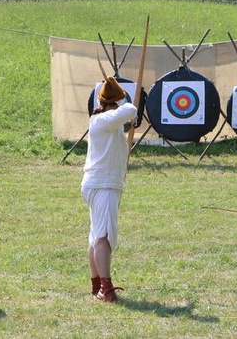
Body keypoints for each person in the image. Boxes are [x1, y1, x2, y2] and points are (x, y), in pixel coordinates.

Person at [81, 76, 137, 303]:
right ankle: (107, 289)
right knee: (103, 237)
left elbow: (123, 117)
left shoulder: (105, 122)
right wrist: (126, 104)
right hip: (103, 185)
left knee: (96, 236)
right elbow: (131, 109)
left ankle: (97, 285)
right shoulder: (102, 121)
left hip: (100, 184)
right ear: (113, 104)